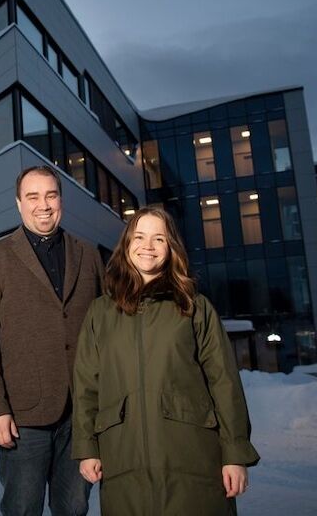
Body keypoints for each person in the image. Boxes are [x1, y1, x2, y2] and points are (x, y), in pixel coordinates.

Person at [72, 206, 260, 515]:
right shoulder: (100, 313)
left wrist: (234, 454)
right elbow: (85, 386)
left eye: (159, 239)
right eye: (140, 237)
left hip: (191, 459)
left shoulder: (195, 307)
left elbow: (224, 383)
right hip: (123, 458)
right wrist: (86, 448)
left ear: (171, 248)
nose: (148, 246)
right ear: (126, 244)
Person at [0, 165, 104, 515]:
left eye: (51, 195)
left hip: (81, 415)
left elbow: (105, 329)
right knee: (22, 508)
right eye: (33, 196)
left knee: (74, 507)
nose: (43, 205)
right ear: (19, 203)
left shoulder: (88, 254)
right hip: (22, 417)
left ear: (60, 200)